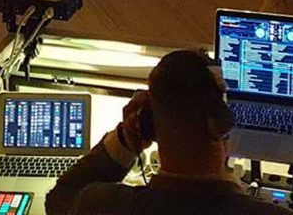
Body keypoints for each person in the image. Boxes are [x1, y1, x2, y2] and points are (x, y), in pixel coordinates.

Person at [45, 49, 280, 215]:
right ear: (222, 125)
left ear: (148, 126)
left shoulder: (102, 206)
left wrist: (124, 139)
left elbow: (61, 197)